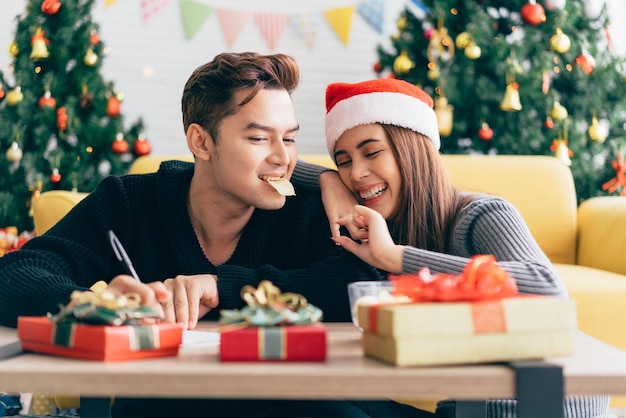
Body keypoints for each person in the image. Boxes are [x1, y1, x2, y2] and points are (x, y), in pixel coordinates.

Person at [0, 53, 434, 418]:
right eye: (260, 138)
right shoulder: (131, 202)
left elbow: (355, 286)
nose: (283, 158)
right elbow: (16, 273)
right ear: (201, 142)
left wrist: (222, 287)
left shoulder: (310, 208)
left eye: (289, 139)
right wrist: (96, 306)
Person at [321, 78, 613, 418]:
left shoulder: (482, 214)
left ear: (412, 149)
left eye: (371, 152)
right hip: (470, 408)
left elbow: (548, 287)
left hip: (535, 409)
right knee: (320, 401)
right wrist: (327, 180)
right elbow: (283, 168)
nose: (356, 174)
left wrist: (394, 257)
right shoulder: (392, 223)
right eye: (343, 161)